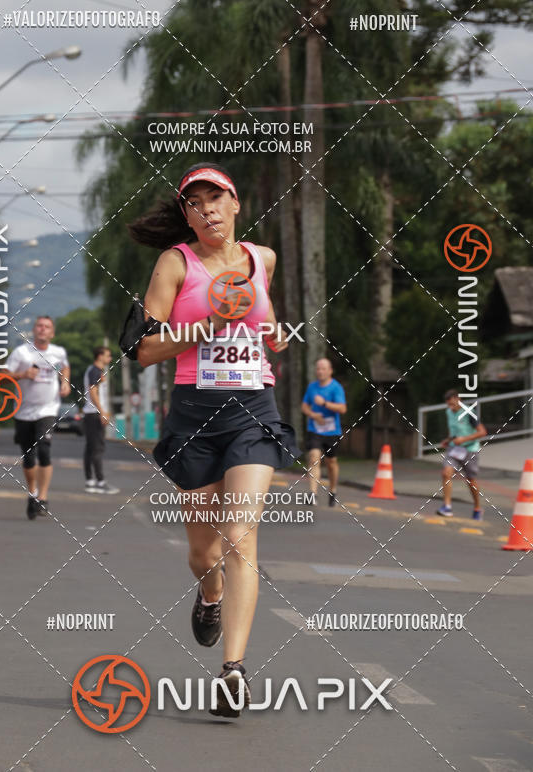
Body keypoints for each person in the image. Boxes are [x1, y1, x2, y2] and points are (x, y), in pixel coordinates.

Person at [130, 162, 298, 717]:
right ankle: (210, 596)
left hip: (253, 409)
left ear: (235, 204)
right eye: (195, 203)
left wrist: (272, 334)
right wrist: (207, 326)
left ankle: (234, 670)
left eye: (215, 199)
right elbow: (142, 349)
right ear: (188, 216)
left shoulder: (261, 260)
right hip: (195, 417)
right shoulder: (174, 264)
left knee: (240, 536)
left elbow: (270, 331)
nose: (207, 209)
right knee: (205, 554)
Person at [6, 316, 70, 519]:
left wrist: (65, 382)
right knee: (28, 456)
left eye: (47, 327)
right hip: (23, 411)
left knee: (44, 450)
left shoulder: (58, 352)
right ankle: (32, 492)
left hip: (47, 410)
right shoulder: (21, 353)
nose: (43, 329)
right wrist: (23, 375)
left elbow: (65, 366)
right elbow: (3, 375)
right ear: (34, 330)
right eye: (39, 326)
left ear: (52, 333)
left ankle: (42, 497)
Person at [301, 358, 347, 506]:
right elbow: (304, 407)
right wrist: (313, 415)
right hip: (315, 429)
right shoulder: (312, 387)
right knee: (314, 457)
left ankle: (333, 489)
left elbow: (342, 409)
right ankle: (312, 494)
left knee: (331, 462)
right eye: (318, 368)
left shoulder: (336, 388)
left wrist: (325, 403)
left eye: (323, 369)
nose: (320, 371)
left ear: (330, 371)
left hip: (332, 431)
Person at [437, 388, 487, 520]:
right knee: (446, 473)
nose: (451, 408)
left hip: (470, 449)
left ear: (459, 400)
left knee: (471, 480)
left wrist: (463, 439)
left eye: (453, 404)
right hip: (454, 449)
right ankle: (447, 507)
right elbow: (454, 431)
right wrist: (448, 440)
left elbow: (482, 432)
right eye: (448, 405)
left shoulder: (470, 412)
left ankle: (477, 507)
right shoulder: (449, 412)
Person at [82, 346, 119, 494]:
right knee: (97, 449)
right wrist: (102, 411)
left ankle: (90, 481)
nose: (109, 359)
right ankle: (100, 482)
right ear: (99, 357)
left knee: (90, 449)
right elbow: (93, 392)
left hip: (91, 414)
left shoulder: (94, 371)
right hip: (94, 414)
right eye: (108, 356)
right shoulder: (95, 371)